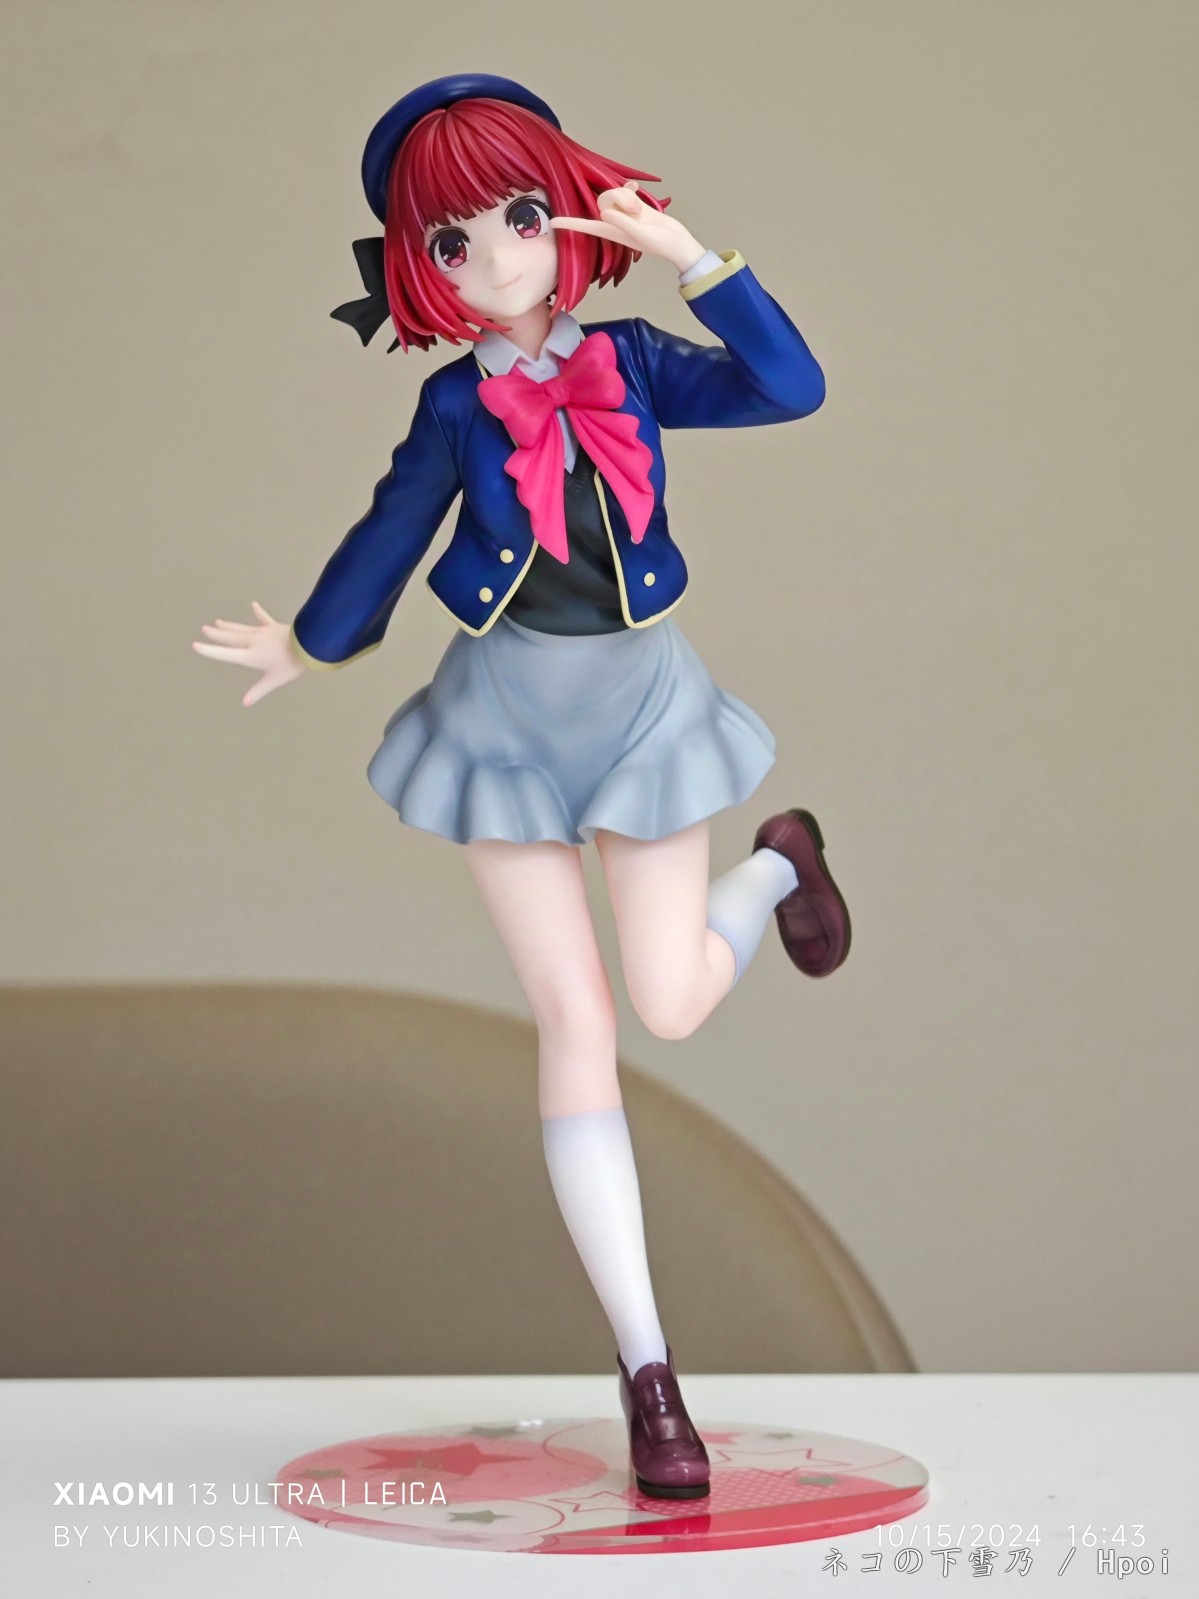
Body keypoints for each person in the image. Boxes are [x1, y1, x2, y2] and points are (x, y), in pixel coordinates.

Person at [193, 74, 851, 1501]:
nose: (494, 258)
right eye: (451, 241)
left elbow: (790, 389)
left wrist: (695, 260)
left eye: (520, 216)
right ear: (417, 266)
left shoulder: (637, 361)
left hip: (641, 706)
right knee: (577, 1023)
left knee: (669, 1002)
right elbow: (393, 526)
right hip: (502, 718)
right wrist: (312, 642)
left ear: (565, 218)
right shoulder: (453, 402)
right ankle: (649, 1373)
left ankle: (778, 865)